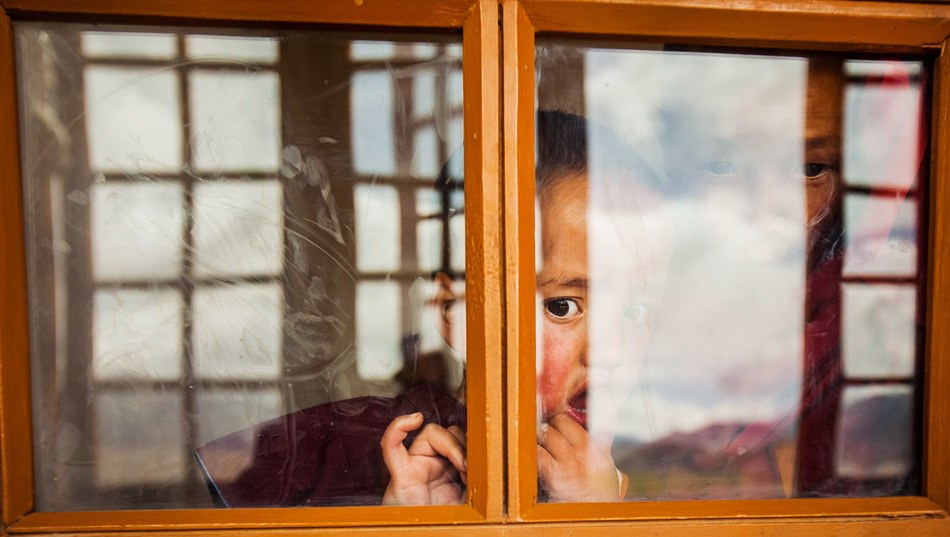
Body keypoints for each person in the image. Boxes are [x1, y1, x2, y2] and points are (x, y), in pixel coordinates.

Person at [197, 110, 665, 506]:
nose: (609, 352)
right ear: (457, 312)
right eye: (564, 306)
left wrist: (597, 519)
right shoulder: (341, 453)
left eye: (636, 312)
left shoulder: (652, 474)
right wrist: (403, 527)